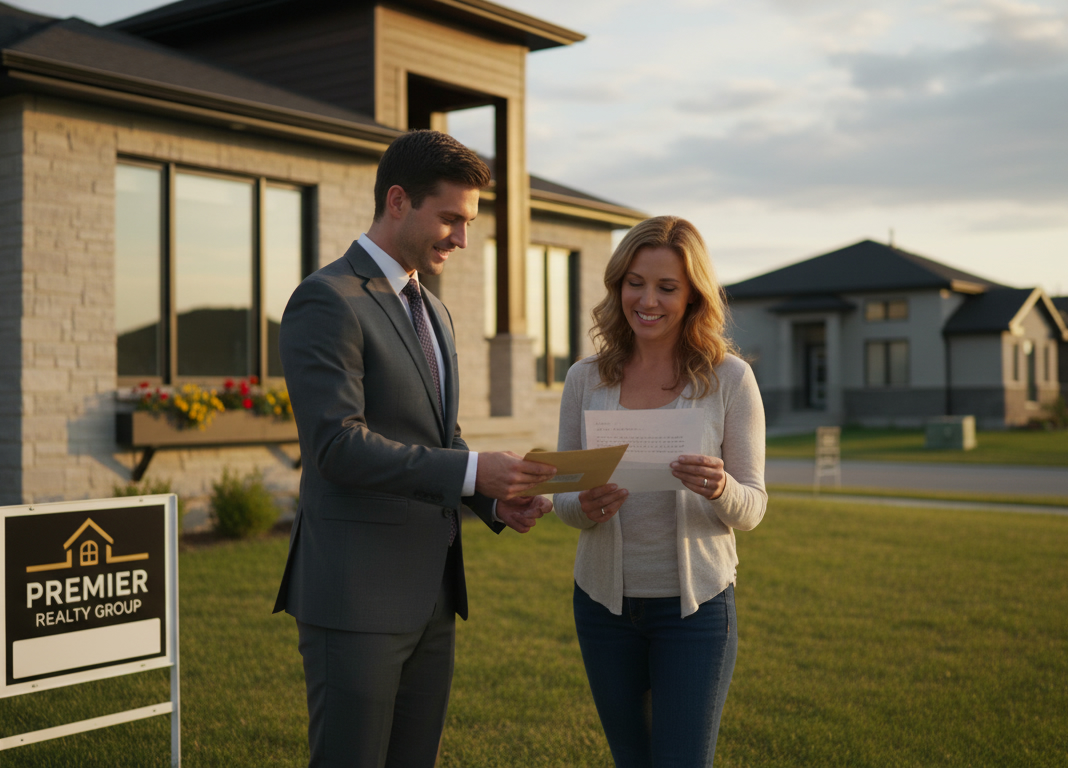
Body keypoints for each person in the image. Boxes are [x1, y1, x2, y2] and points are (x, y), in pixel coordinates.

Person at [273, 130, 557, 768]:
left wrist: (491, 500)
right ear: (397, 201)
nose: (462, 237)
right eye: (452, 218)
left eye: (469, 222)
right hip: (355, 595)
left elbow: (439, 436)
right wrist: (475, 471)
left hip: (432, 594)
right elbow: (337, 447)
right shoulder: (327, 299)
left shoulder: (434, 310)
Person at [553, 215, 767, 767]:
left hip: (694, 611)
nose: (647, 300)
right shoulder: (585, 379)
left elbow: (753, 507)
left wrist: (720, 488)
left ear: (693, 295)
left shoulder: (730, 379)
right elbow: (565, 502)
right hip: (603, 606)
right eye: (635, 282)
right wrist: (585, 505)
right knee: (632, 759)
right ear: (618, 284)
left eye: (667, 287)